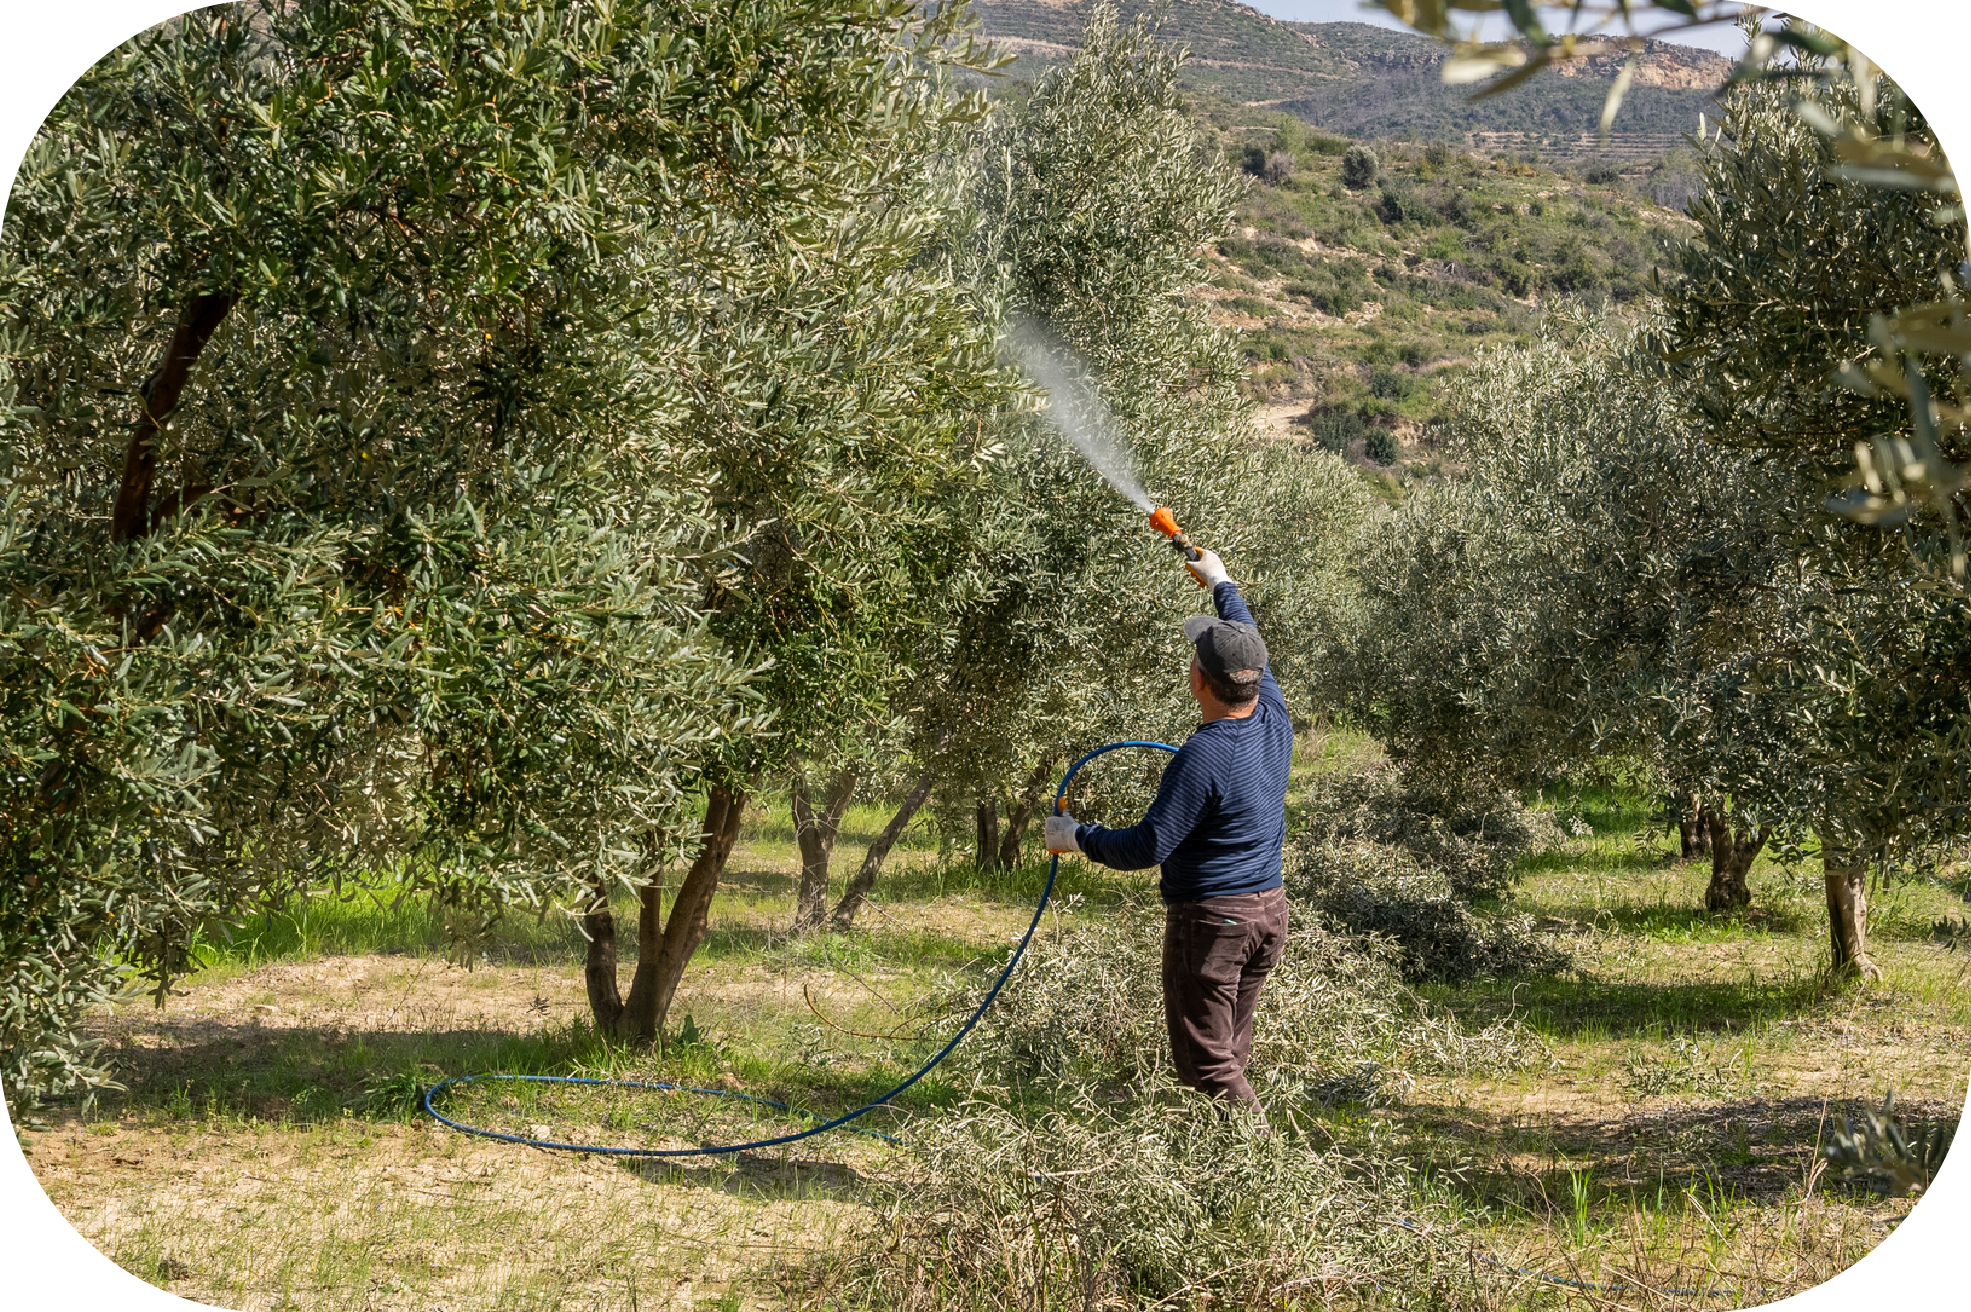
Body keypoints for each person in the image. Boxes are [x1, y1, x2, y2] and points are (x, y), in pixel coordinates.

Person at [1044, 546, 1292, 1114]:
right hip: (1267, 912)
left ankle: (1260, 1155)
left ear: (1198, 679)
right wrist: (1221, 582)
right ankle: (1223, 1156)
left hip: (1215, 922)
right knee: (1228, 1048)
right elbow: (1249, 641)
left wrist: (1075, 836)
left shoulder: (1202, 757)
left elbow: (1148, 845)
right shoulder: (1273, 714)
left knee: (1207, 1064)